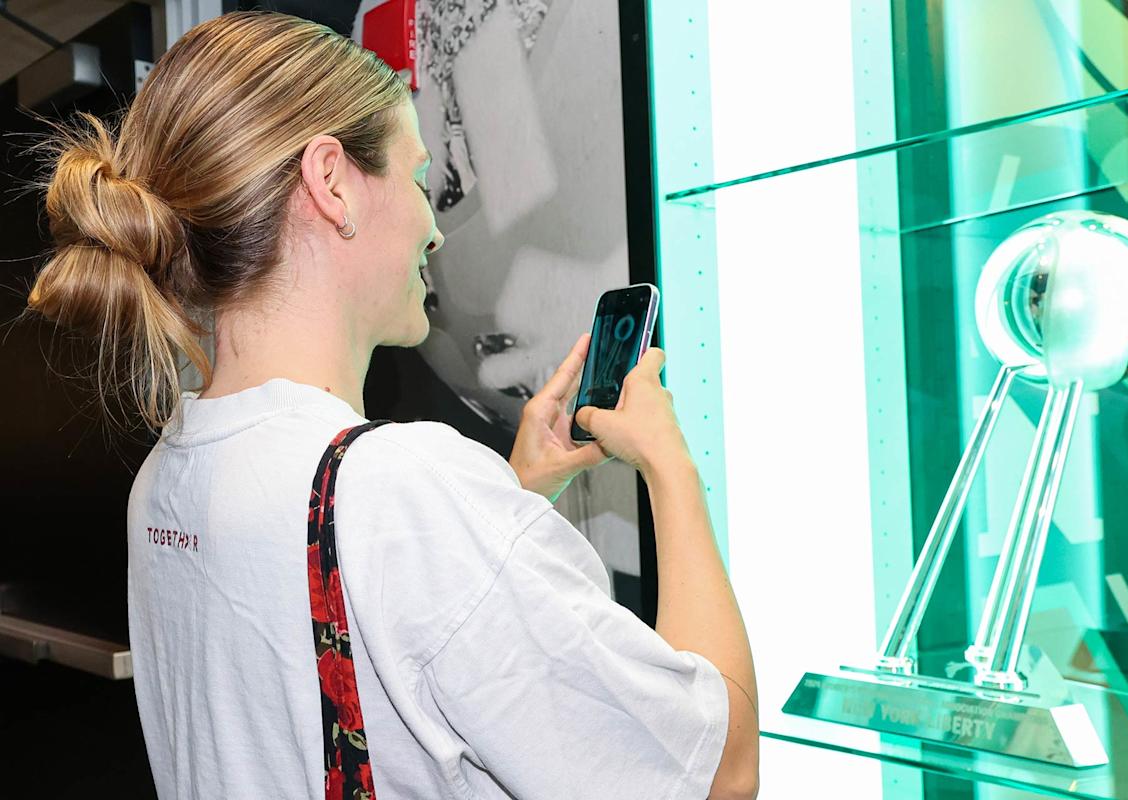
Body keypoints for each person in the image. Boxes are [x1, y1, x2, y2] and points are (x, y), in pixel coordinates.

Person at [24, 11, 758, 800]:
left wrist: (507, 498)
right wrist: (670, 464)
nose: (434, 231)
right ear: (332, 183)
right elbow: (720, 771)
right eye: (418, 180)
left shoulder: (168, 473)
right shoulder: (404, 492)